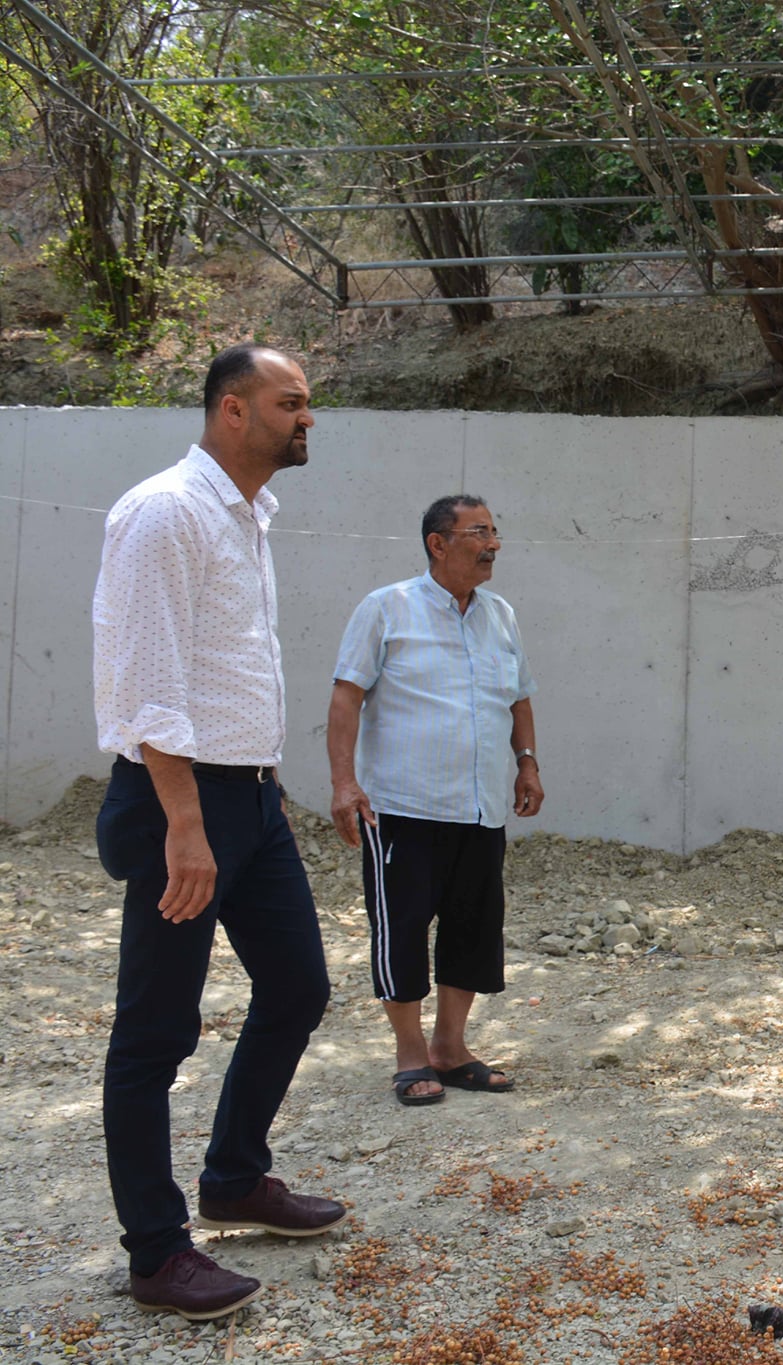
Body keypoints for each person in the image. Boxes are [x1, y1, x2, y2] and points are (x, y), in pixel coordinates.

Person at [91, 343, 343, 1321]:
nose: (306, 418)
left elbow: (220, 669)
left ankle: (234, 1178)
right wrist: (185, 825)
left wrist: (258, 793)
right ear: (232, 411)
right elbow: (146, 682)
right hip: (177, 804)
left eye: (307, 404)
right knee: (155, 1034)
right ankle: (156, 1254)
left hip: (245, 798)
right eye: (291, 403)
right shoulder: (166, 511)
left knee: (296, 988)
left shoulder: (247, 515)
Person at [328, 495, 542, 1107]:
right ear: (437, 543)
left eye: (496, 532)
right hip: (401, 807)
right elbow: (346, 698)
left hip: (480, 806)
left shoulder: (500, 615)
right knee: (401, 930)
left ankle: (451, 1047)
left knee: (473, 930)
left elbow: (520, 696)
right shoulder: (385, 608)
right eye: (479, 532)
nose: (494, 544)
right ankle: (409, 1054)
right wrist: (345, 784)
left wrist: (526, 763)